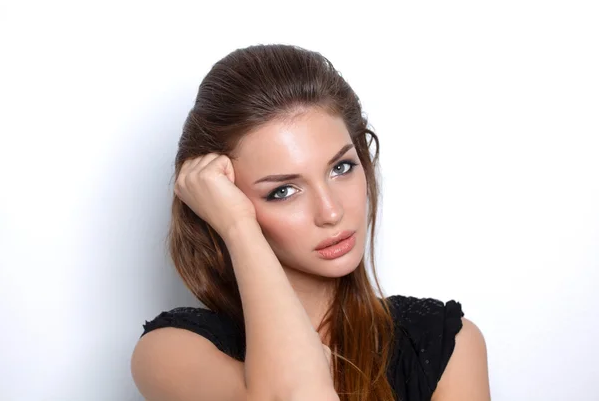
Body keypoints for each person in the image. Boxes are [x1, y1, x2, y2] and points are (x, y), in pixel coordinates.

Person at [130, 44, 491, 401]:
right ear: (222, 201)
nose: (331, 212)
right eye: (283, 191)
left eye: (341, 168)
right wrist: (239, 228)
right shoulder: (173, 351)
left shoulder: (444, 345)